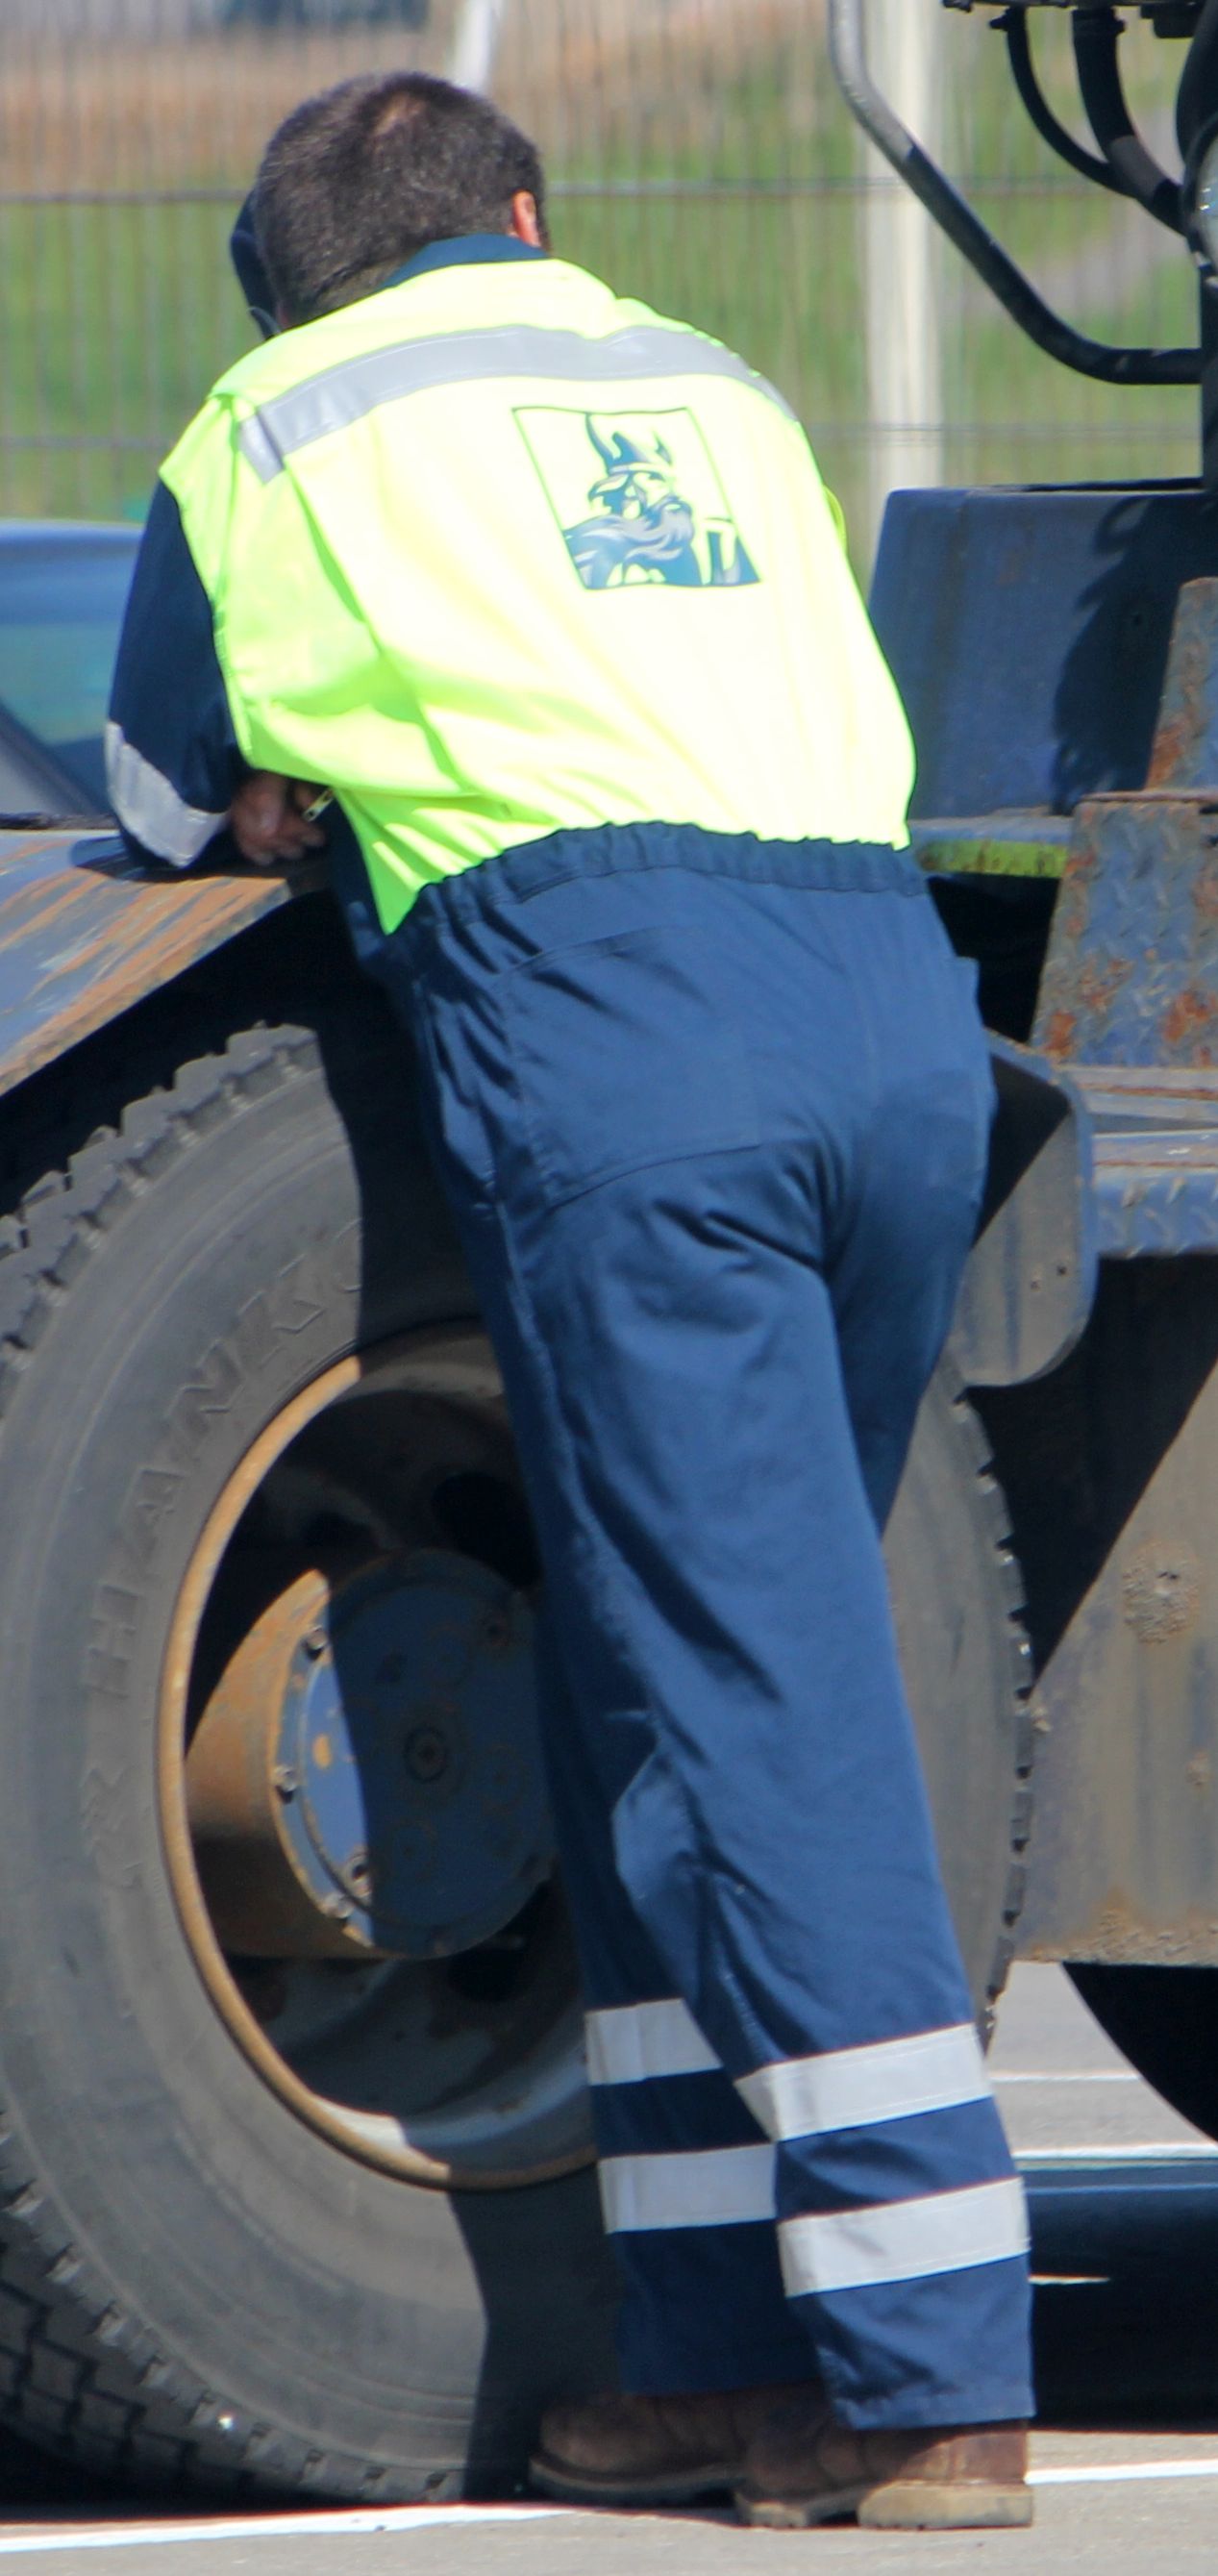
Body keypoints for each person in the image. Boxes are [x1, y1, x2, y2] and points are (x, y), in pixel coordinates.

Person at [106, 70, 1033, 2532]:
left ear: (284, 278)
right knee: (649, 1678)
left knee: (753, 1694)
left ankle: (934, 2370)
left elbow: (166, 791)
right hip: (890, 1013)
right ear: (521, 218)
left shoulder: (272, 422)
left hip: (629, 1031)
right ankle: (713, 2351)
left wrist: (297, 788)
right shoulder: (705, 382)